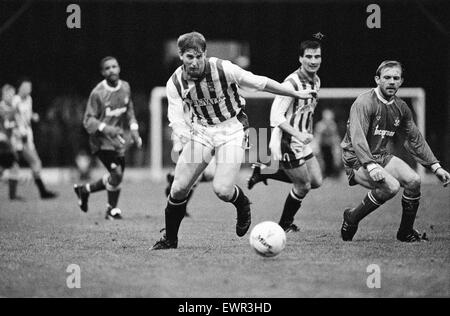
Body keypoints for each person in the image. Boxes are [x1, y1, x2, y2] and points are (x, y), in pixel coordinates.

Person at [151, 31, 316, 250]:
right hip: (201, 131)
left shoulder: (223, 68)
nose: (195, 62)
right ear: (180, 56)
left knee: (222, 189)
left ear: (205, 54)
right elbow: (176, 118)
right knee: (179, 188)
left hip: (232, 130)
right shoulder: (175, 83)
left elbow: (260, 82)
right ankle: (170, 240)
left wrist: (293, 93)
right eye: (189, 57)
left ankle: (241, 203)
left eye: (199, 56)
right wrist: (182, 140)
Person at [340, 60, 450, 242]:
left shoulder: (401, 108)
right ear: (377, 79)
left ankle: (405, 232)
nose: (391, 81)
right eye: (387, 77)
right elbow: (357, 138)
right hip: (356, 159)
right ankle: (352, 217)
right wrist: (371, 165)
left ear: (401, 81)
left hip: (380, 156)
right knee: (391, 187)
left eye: (396, 78)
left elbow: (414, 139)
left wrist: (436, 167)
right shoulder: (364, 102)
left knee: (414, 181)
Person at [251, 39, 324, 233]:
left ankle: (264, 171)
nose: (313, 60)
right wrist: (298, 134)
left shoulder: (316, 80)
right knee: (303, 186)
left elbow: (305, 112)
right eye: (308, 56)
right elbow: (275, 116)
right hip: (288, 141)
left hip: (302, 140)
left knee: (316, 181)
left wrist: (307, 133)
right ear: (300, 58)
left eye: (317, 56)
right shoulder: (291, 83)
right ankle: (283, 226)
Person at [73, 56, 142, 220]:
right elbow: (88, 120)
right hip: (101, 141)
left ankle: (85, 191)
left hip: (118, 141)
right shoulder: (98, 93)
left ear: (119, 68)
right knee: (117, 174)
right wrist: (107, 128)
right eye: (108, 68)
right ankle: (111, 210)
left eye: (114, 66)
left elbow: (129, 111)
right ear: (103, 72)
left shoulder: (125, 87)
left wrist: (134, 130)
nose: (112, 70)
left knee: (116, 178)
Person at [12, 78, 58, 199]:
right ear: (19, 88)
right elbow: (11, 116)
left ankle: (41, 192)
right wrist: (17, 130)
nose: (28, 90)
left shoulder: (29, 99)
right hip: (16, 137)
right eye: (26, 87)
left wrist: (33, 116)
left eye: (30, 87)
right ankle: (42, 192)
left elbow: (27, 114)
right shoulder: (14, 100)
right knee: (33, 162)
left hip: (27, 136)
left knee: (14, 164)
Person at [314, 108, 341, 177]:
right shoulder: (320, 126)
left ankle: (334, 172)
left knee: (335, 156)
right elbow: (317, 138)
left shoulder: (333, 125)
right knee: (320, 158)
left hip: (330, 146)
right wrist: (317, 149)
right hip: (322, 146)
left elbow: (335, 137)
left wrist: (337, 148)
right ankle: (322, 173)